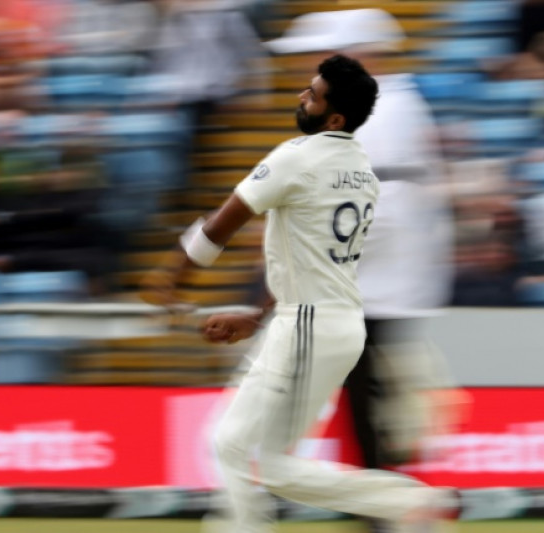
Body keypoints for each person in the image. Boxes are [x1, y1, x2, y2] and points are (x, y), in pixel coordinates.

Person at [142, 54, 456, 533]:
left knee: (227, 443)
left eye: (313, 94)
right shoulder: (363, 171)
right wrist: (257, 315)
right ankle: (410, 501)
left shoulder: (296, 157)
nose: (301, 96)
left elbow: (220, 228)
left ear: (335, 118)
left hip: (306, 323)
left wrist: (170, 276)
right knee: (271, 465)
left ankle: (406, 500)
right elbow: (309, 258)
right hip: (336, 323)